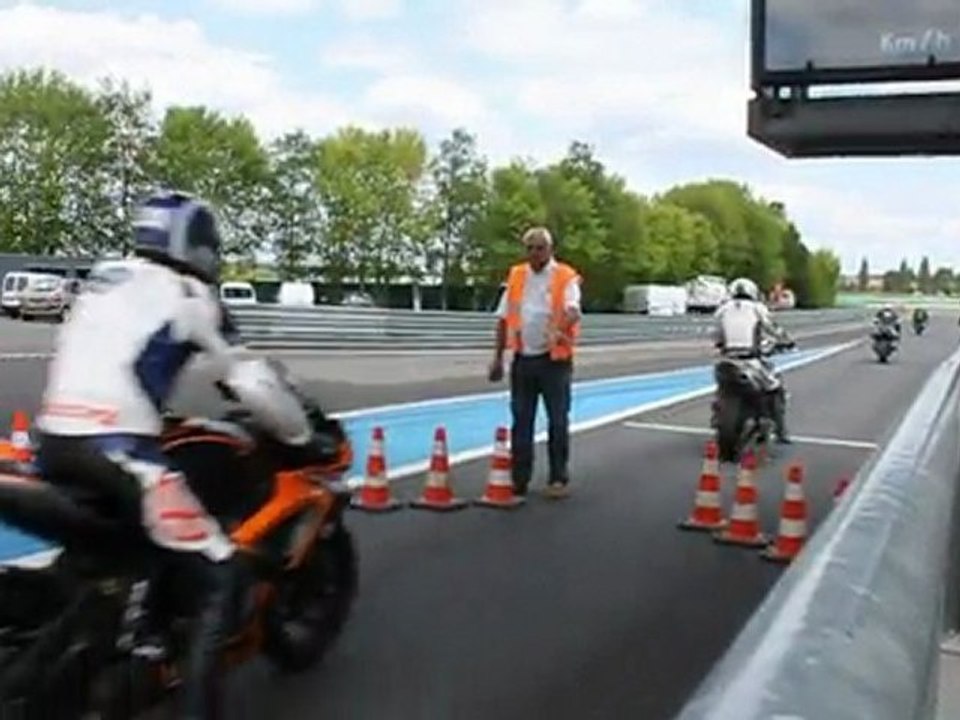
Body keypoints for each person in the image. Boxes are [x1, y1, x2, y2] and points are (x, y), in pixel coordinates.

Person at [33, 190, 320, 719]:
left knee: (125, 548)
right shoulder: (193, 295)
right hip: (117, 450)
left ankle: (120, 631)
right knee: (223, 575)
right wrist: (302, 436)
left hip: (51, 443)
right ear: (196, 243)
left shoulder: (105, 275)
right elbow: (249, 382)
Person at [488, 227, 582, 499]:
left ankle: (558, 477)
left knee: (557, 420)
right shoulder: (517, 276)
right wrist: (497, 358)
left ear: (550, 249)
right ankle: (519, 479)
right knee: (521, 420)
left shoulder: (564, 276)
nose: (534, 253)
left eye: (539, 248)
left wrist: (559, 329)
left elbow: (573, 310)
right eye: (529, 248)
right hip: (523, 359)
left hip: (554, 361)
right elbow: (503, 318)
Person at [712, 277, 791, 444]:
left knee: (721, 387)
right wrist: (786, 341)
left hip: (727, 361)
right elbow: (772, 328)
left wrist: (721, 343)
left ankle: (717, 415)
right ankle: (781, 430)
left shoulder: (722, 310)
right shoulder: (758, 308)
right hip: (751, 361)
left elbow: (715, 335)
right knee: (775, 387)